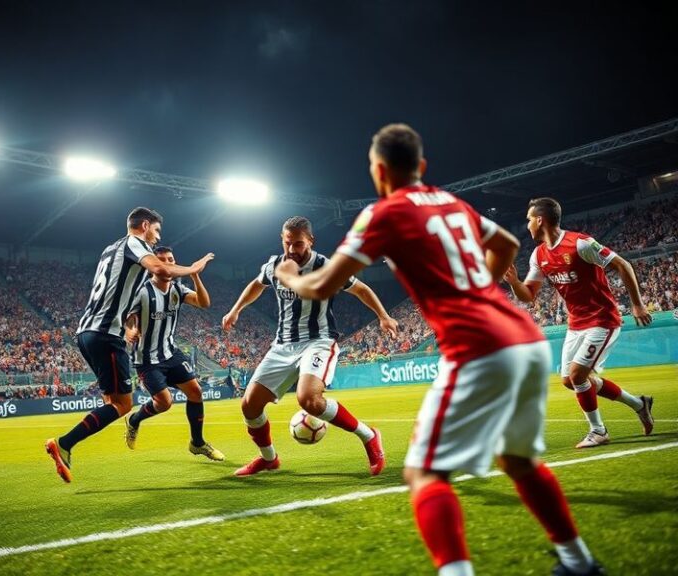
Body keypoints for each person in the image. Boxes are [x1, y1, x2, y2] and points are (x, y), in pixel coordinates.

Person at [274, 124, 604, 575]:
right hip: (523, 338)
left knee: (425, 475)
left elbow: (320, 285)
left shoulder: (383, 214)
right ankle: (579, 561)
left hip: (477, 344)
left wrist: (289, 275)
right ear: (422, 167)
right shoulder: (452, 202)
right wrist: (479, 286)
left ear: (378, 170)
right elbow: (507, 244)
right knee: (518, 461)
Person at [45, 207, 215, 483]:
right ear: (145, 225)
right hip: (106, 335)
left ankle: (67, 445)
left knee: (112, 402)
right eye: (156, 231)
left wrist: (131, 325)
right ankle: (64, 443)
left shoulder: (109, 250)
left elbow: (120, 294)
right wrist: (193, 268)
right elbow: (158, 268)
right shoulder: (133, 243)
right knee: (123, 405)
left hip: (87, 333)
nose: (157, 238)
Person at [222, 216, 398, 477]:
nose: (293, 249)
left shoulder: (326, 266)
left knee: (309, 400)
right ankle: (269, 459)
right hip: (282, 345)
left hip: (318, 341)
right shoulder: (274, 265)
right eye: (288, 243)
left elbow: (361, 289)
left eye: (299, 244)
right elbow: (256, 285)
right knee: (249, 406)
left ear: (311, 241)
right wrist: (236, 309)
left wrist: (383, 316)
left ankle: (369, 435)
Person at [504, 197, 654, 448]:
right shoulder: (538, 255)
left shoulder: (580, 244)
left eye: (529, 219)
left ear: (540, 220)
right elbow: (528, 296)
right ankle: (640, 404)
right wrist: (514, 283)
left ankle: (598, 431)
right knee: (570, 380)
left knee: (577, 375)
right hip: (576, 324)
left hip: (602, 319)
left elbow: (622, 265)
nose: (527, 224)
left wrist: (637, 304)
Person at [123, 246, 224, 461]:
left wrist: (195, 276)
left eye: (171, 259)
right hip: (147, 359)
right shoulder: (142, 291)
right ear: (153, 266)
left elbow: (204, 303)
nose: (168, 263)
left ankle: (197, 443)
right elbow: (129, 317)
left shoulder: (178, 289)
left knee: (195, 392)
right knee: (165, 403)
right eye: (162, 260)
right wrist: (130, 330)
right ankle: (134, 419)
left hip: (171, 353)